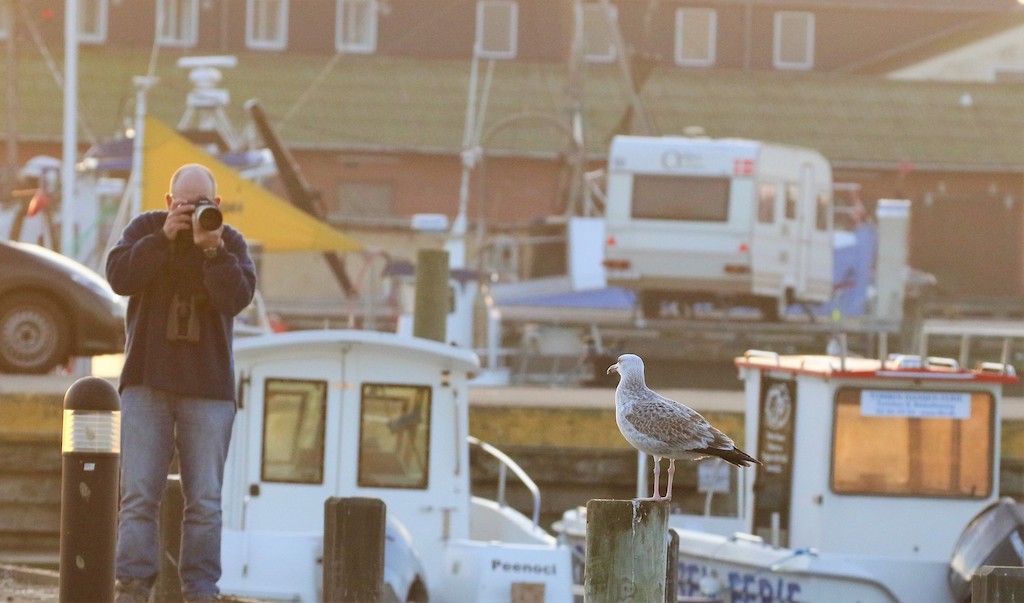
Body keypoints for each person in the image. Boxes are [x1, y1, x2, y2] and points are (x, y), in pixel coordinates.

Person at [106, 163, 257, 603]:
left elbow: (237, 298)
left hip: (208, 389)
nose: (193, 213)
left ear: (217, 204)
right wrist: (164, 238)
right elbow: (119, 277)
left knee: (206, 501)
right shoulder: (147, 229)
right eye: (184, 204)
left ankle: (200, 591)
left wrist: (212, 251)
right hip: (146, 382)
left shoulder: (228, 241)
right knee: (137, 494)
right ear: (170, 202)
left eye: (201, 204)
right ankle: (133, 587)